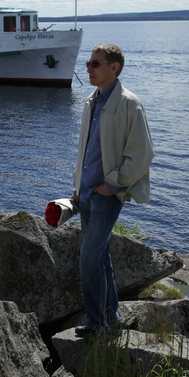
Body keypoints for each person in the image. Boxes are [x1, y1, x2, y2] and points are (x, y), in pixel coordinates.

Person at [71, 43, 154, 338]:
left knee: (89, 258)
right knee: (100, 257)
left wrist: (112, 185)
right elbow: (88, 152)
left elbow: (142, 154)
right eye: (88, 64)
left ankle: (96, 325)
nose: (88, 69)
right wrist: (79, 187)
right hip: (87, 194)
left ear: (114, 67)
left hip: (107, 196)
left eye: (95, 64)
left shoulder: (129, 104)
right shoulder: (91, 102)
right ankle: (111, 317)